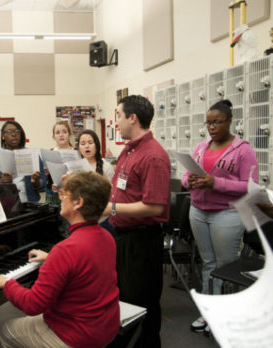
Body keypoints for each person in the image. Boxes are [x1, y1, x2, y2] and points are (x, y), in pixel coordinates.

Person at [0, 171, 119, 348]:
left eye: (64, 194)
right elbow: (84, 265)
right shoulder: (107, 237)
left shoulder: (65, 250)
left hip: (78, 335)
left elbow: (32, 305)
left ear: (78, 203)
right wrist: (51, 258)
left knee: (8, 330)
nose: (60, 198)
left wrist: (6, 283)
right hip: (106, 325)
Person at [181, 99, 258, 333]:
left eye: (217, 122)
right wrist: (189, 180)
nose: (212, 127)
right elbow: (186, 177)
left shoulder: (243, 150)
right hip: (198, 211)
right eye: (209, 123)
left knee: (225, 266)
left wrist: (217, 183)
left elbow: (250, 186)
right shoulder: (201, 148)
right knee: (207, 264)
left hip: (227, 213)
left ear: (230, 121)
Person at [104, 95, 171, 348]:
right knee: (125, 298)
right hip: (123, 237)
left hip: (142, 240)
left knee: (142, 303)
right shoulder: (130, 149)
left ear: (133, 118)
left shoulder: (153, 156)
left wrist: (111, 207)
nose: (116, 122)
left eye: (119, 115)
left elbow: (154, 206)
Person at [0, 120, 45, 202]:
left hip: (31, 203)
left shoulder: (32, 155)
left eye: (17, 131)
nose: (14, 134)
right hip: (6, 205)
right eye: (9, 131)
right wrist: (1, 181)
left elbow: (43, 184)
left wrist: (36, 182)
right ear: (2, 135)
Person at [45, 120, 74, 204]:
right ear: (54, 137)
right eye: (57, 133)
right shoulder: (50, 153)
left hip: (72, 193)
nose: (61, 135)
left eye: (64, 132)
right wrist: (45, 173)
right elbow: (46, 178)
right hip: (53, 193)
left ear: (69, 135)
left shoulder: (76, 152)